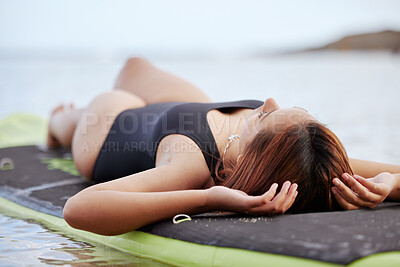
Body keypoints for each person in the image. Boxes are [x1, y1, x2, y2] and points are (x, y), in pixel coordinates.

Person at [47, 57, 400, 236]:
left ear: (254, 156)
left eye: (264, 117)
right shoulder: (306, 153)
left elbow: (78, 209)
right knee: (134, 65)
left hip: (115, 125)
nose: (269, 100)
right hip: (192, 111)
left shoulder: (190, 166)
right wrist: (387, 183)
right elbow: (393, 174)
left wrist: (207, 198)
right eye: (296, 112)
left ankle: (58, 120)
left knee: (81, 115)